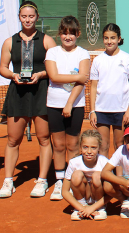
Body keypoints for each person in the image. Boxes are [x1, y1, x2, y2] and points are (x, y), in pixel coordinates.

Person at [0, 1, 57, 198]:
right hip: (18, 93)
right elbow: (3, 68)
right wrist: (13, 76)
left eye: (31, 16)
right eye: (24, 16)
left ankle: (42, 180)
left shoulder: (47, 40)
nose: (28, 19)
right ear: (19, 18)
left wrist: (40, 75)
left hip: (41, 92)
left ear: (37, 17)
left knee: (44, 138)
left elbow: (55, 68)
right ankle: (8, 181)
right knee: (13, 139)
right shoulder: (9, 42)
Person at [44, 16, 92, 201]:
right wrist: (76, 77)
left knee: (72, 145)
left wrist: (70, 103)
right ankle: (58, 180)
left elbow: (83, 81)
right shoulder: (53, 53)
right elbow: (54, 77)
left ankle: (71, 180)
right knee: (58, 145)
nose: (68, 36)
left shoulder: (83, 53)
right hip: (53, 104)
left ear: (77, 34)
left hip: (75, 106)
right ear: (59, 34)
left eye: (71, 33)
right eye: (64, 33)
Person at [89, 23, 129, 157]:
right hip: (101, 110)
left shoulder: (127, 58)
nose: (109, 41)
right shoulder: (98, 60)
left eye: (112, 38)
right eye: (106, 38)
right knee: (103, 145)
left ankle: (119, 176)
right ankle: (106, 177)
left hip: (121, 110)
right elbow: (93, 86)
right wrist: (92, 111)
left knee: (120, 145)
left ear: (119, 39)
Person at [63, 130, 110, 221]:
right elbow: (65, 191)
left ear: (99, 148)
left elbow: (112, 191)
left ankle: (100, 208)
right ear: (80, 147)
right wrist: (82, 208)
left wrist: (92, 208)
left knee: (97, 176)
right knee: (76, 175)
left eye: (93, 147)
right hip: (82, 198)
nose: (89, 151)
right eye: (85, 147)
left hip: (98, 198)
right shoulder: (73, 163)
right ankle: (80, 207)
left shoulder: (104, 162)